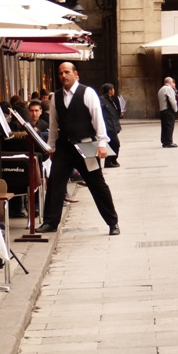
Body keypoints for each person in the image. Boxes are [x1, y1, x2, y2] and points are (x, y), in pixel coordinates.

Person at [36, 62, 120, 236]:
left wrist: (102, 143)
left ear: (75, 74)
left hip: (86, 147)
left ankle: (112, 222)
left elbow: (98, 118)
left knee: (97, 184)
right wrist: (52, 147)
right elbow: (53, 124)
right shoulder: (56, 97)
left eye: (67, 72)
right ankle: (50, 222)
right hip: (64, 148)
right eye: (60, 73)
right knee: (55, 182)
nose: (63, 76)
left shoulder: (87, 93)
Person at [99, 83, 121, 168]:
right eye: (113, 89)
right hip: (108, 125)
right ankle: (111, 161)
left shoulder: (111, 99)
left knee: (113, 144)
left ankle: (111, 161)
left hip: (113, 124)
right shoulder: (102, 99)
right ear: (110, 90)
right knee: (115, 143)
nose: (114, 91)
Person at [157, 76, 178, 148]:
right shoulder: (169, 89)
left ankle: (164, 141)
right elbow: (172, 100)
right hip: (168, 110)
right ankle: (169, 141)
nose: (173, 84)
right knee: (169, 126)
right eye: (172, 82)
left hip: (162, 110)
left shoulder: (161, 89)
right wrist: (175, 109)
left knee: (164, 126)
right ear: (170, 82)